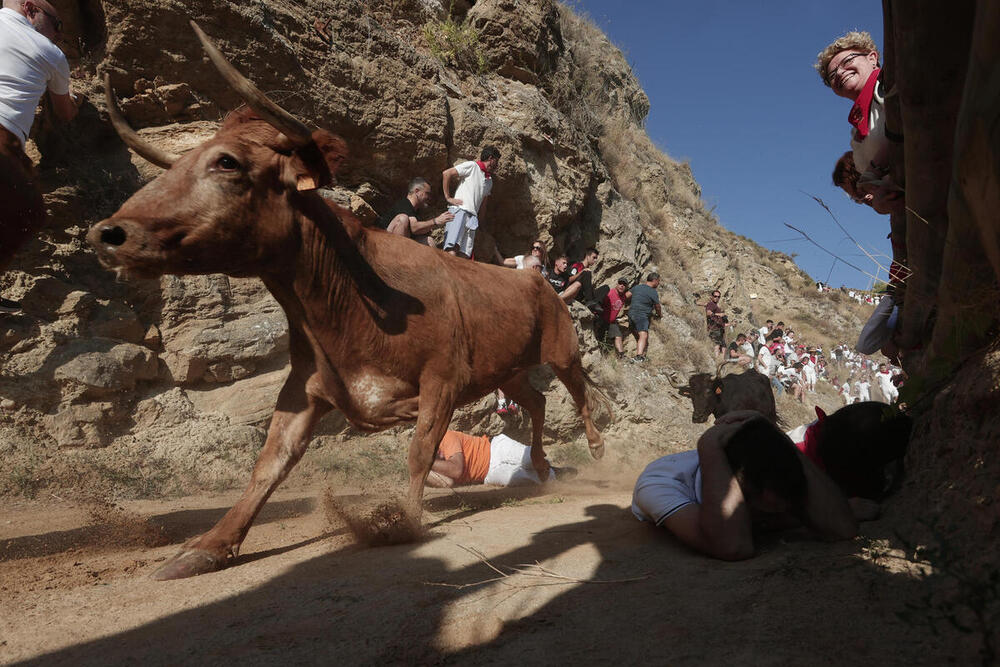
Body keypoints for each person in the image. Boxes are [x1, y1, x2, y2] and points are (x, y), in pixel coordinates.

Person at [631, 411, 858, 561]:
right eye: (756, 511)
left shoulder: (769, 475)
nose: (764, 520)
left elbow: (843, 527)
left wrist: (778, 437)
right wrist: (708, 443)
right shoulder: (658, 484)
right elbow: (733, 545)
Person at [0, 0, 80, 313]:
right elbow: (65, 113)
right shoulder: (48, 52)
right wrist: (74, 98)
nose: (58, 36)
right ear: (31, 9)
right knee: (27, 212)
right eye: (57, 26)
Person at [424, 429, 574, 488]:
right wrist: (423, 472)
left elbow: (456, 470)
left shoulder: (444, 435)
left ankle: (552, 468)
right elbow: (447, 482)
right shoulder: (434, 463)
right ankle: (558, 477)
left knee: (530, 459)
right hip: (488, 474)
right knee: (521, 479)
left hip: (495, 449)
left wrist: (427, 463)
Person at [441, 145, 500, 258]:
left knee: (464, 256)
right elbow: (447, 174)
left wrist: (480, 224)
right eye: (496, 162)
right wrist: (448, 198)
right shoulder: (472, 166)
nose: (497, 166)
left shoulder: (489, 181)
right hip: (460, 211)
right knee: (451, 250)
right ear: (491, 158)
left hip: (473, 219)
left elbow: (483, 204)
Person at [375, 177, 454, 246]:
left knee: (429, 241)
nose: (429, 197)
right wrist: (435, 221)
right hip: (383, 244)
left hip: (403, 245)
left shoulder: (416, 212)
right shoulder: (404, 204)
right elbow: (415, 228)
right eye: (427, 193)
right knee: (402, 218)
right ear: (417, 191)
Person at [628, 273, 661, 363]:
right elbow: (657, 306)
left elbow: (627, 295)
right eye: (658, 281)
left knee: (638, 334)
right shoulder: (653, 292)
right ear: (654, 281)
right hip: (641, 315)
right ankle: (639, 357)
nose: (658, 283)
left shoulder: (637, 287)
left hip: (631, 314)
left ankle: (641, 355)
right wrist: (659, 315)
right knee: (644, 335)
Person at [601, 278, 630, 358]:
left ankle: (621, 355)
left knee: (618, 335)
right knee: (600, 337)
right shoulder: (610, 293)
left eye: (624, 285)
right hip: (602, 319)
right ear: (617, 284)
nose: (622, 286)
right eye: (620, 283)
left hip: (611, 322)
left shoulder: (623, 297)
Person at [704, 289, 726, 357]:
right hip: (714, 329)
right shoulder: (711, 304)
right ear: (712, 296)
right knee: (717, 345)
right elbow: (708, 313)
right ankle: (717, 359)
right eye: (715, 296)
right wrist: (719, 314)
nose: (717, 298)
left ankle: (721, 361)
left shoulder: (715, 305)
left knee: (722, 346)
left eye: (718, 297)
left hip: (718, 329)